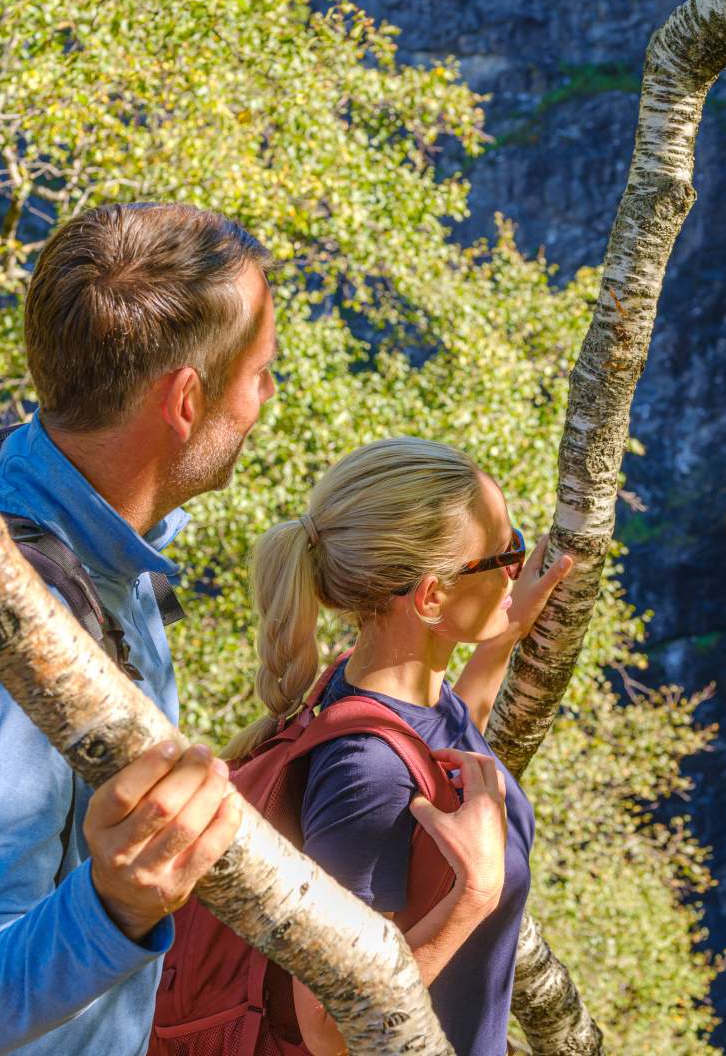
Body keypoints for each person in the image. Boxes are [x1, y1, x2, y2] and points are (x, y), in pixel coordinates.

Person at [0, 202, 273, 1056]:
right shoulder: (11, 639)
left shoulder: (75, 538)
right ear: (186, 400)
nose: (266, 398)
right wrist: (119, 905)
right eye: (262, 372)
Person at [218, 436, 572, 1056]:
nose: (517, 563)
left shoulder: (392, 688)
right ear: (432, 597)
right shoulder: (367, 774)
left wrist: (502, 634)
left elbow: (443, 752)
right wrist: (475, 896)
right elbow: (329, 1030)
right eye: (503, 554)